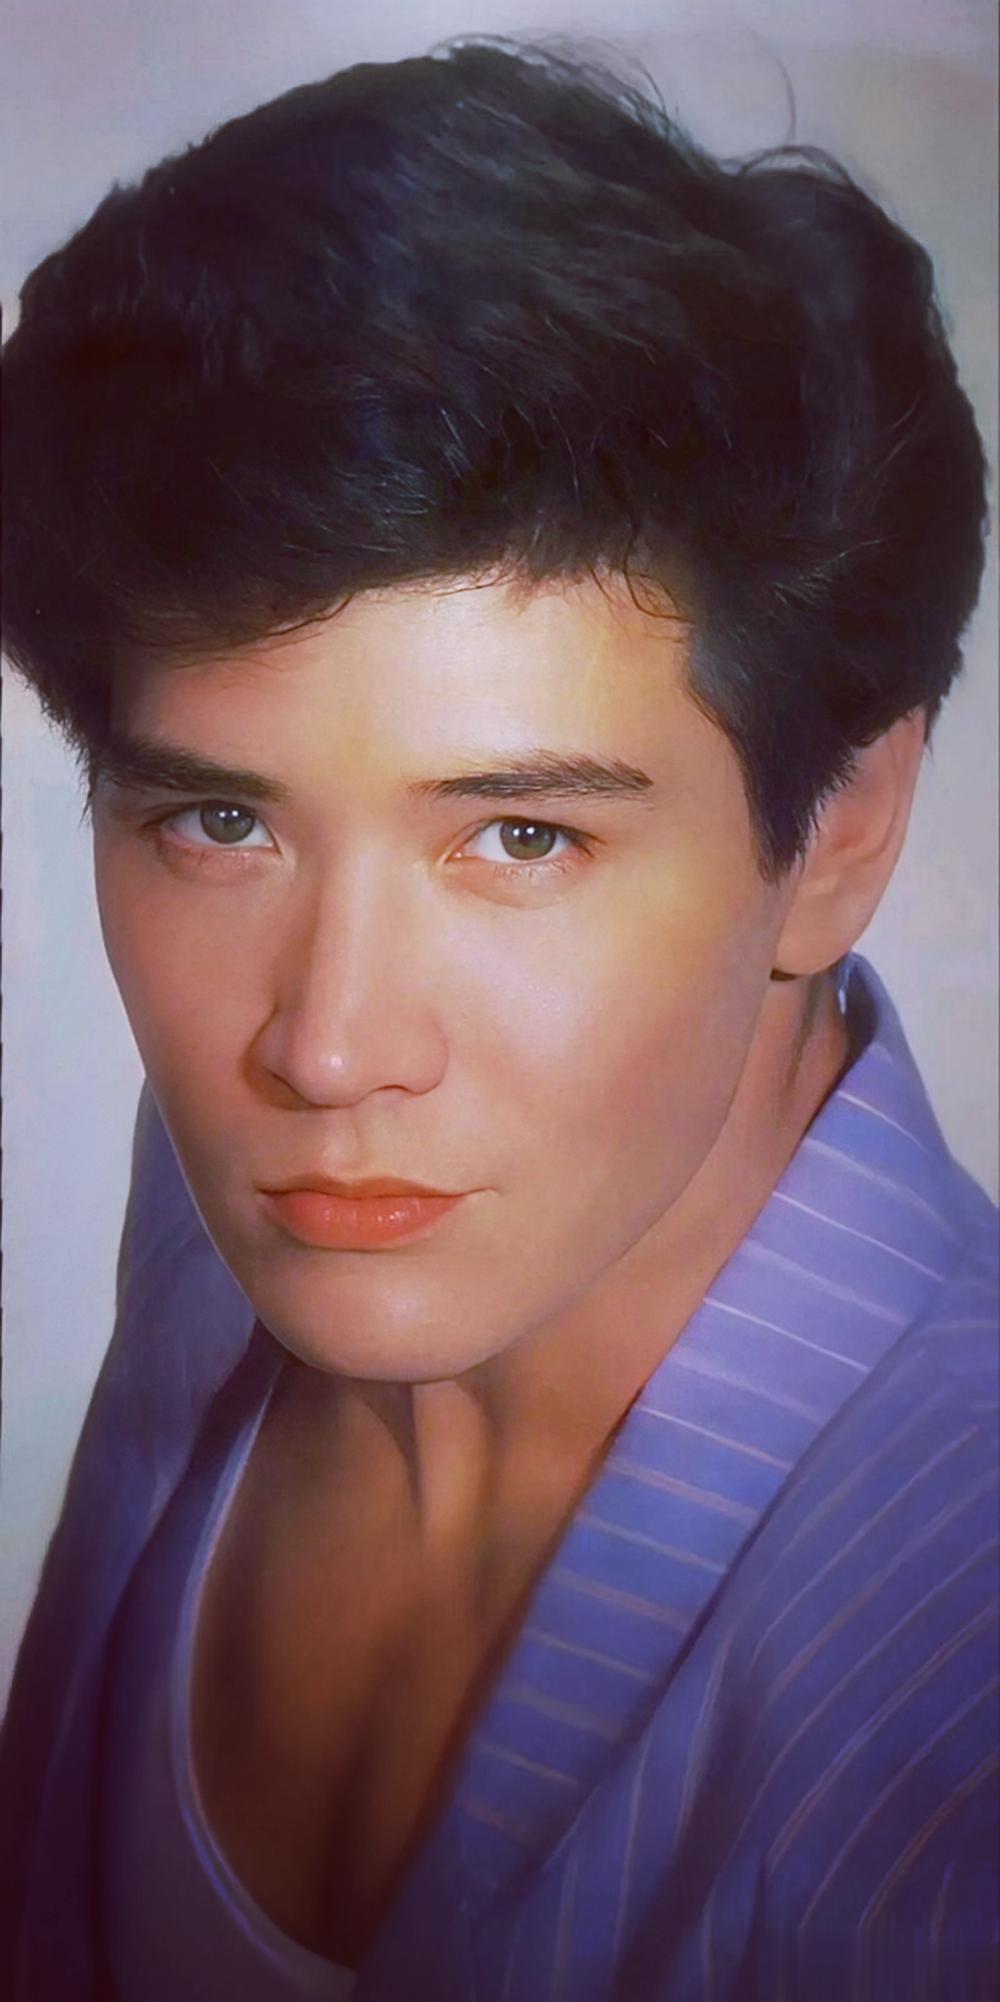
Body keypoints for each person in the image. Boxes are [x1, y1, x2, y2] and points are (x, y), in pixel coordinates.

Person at [1, 33, 996, 2002]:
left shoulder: (949, 1740)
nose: (327, 1045)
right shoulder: (268, 1199)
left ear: (838, 831)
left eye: (520, 835)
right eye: (220, 821)